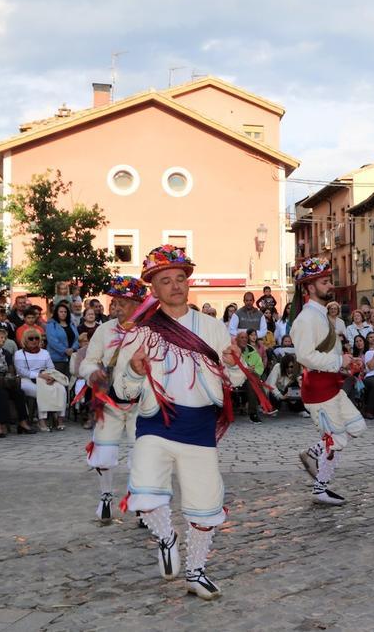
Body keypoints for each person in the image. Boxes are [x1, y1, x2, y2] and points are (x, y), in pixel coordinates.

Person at [113, 245, 248, 600]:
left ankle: (196, 572)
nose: (175, 286)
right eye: (165, 281)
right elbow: (122, 389)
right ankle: (166, 537)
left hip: (199, 426)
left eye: (180, 279)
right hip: (155, 422)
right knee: (143, 496)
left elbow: (233, 382)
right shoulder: (141, 331)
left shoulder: (212, 327)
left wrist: (234, 364)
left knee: (205, 506)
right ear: (153, 290)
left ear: (188, 284)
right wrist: (134, 369)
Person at [288, 257, 366, 506]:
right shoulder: (306, 319)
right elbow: (305, 356)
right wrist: (339, 363)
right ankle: (316, 473)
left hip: (331, 385)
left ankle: (317, 461)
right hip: (319, 390)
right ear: (310, 287)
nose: (330, 285)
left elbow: (327, 353)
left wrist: (346, 361)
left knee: (356, 427)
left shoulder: (321, 315)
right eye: (324, 282)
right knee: (337, 440)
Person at [80, 275, 148, 523]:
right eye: (114, 302)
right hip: (108, 403)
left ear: (138, 304)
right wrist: (92, 373)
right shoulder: (104, 330)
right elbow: (87, 361)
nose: (115, 308)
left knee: (142, 454)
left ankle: (141, 503)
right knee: (104, 451)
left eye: (121, 302)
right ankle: (106, 497)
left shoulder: (150, 332)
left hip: (141, 403)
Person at [16, 330, 62, 431]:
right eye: (31, 338)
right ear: (25, 340)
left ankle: (59, 418)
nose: (34, 340)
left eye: (37, 338)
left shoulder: (45, 353)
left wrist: (51, 377)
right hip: (26, 380)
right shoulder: (19, 354)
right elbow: (22, 371)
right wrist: (40, 375)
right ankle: (42, 420)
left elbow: (51, 368)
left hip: (44, 379)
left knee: (60, 388)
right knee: (42, 392)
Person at [46, 301, 80, 377]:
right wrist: (65, 350)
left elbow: (77, 338)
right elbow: (52, 341)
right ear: (56, 313)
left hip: (72, 357)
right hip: (57, 359)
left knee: (70, 382)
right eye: (61, 312)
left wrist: (73, 348)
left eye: (65, 312)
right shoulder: (51, 324)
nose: (63, 313)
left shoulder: (71, 324)